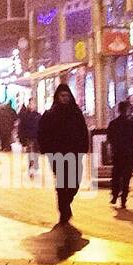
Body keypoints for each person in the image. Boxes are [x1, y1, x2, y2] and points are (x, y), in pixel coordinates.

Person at [36, 82, 90, 231]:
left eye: (67, 96)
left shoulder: (76, 114)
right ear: (57, 97)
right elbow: (42, 134)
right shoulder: (50, 114)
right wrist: (47, 150)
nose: (65, 98)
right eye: (62, 96)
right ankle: (64, 209)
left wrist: (84, 148)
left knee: (74, 183)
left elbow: (83, 132)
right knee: (62, 183)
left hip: (74, 154)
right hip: (57, 155)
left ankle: (66, 203)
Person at [105, 100, 133, 207]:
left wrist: (110, 153)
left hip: (117, 153)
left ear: (118, 110)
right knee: (126, 177)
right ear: (127, 110)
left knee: (116, 175)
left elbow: (109, 141)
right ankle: (124, 199)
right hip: (129, 154)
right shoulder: (132, 124)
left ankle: (115, 195)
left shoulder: (113, 124)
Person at [17, 101, 41, 178]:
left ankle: (35, 166)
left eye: (34, 104)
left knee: (36, 153)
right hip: (29, 137)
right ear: (28, 105)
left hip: (37, 137)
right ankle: (31, 169)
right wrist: (22, 140)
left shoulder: (38, 115)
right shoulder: (25, 116)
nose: (32, 105)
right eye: (31, 104)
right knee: (31, 153)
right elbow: (21, 128)